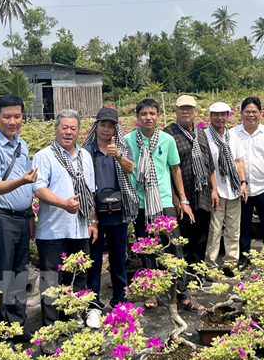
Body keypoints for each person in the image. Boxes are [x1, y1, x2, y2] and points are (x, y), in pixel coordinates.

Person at [124, 98, 204, 312]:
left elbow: (175, 170)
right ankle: (152, 292)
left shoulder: (167, 140)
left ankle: (182, 293)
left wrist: (183, 200)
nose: (148, 117)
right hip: (140, 203)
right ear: (138, 117)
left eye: (152, 113)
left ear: (158, 116)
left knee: (174, 248)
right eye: (143, 114)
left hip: (165, 202)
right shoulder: (128, 140)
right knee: (147, 249)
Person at [33, 109, 98, 354]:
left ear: (78, 131)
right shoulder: (44, 156)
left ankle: (73, 322)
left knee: (78, 279)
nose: (68, 132)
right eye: (64, 127)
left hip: (80, 229)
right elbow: (39, 190)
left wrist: (92, 221)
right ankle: (49, 332)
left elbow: (90, 193)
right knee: (52, 283)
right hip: (53, 231)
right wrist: (64, 204)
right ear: (56, 128)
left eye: (73, 128)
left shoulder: (84, 156)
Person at [0, 94, 38, 338]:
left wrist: (31, 214)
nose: (12, 121)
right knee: (1, 274)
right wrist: (22, 179)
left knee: (20, 271)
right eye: (7, 117)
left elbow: (28, 186)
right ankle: (0, 329)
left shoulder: (21, 145)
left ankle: (17, 324)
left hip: (22, 217)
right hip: (0, 218)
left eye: (17, 116)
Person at [81, 107, 137, 329]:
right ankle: (93, 305)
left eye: (111, 125)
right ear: (96, 126)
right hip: (94, 215)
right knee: (93, 261)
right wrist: (90, 218)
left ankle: (120, 301)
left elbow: (131, 169)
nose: (106, 129)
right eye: (102, 125)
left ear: (116, 128)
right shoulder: (86, 150)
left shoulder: (122, 147)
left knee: (118, 260)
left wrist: (118, 156)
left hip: (118, 213)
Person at [163, 95, 218, 268]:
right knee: (183, 236)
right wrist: (176, 197)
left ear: (195, 112)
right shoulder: (168, 134)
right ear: (176, 111)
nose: (185, 112)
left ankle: (198, 271)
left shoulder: (201, 133)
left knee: (201, 235)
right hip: (183, 194)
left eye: (189, 108)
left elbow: (209, 164)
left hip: (202, 193)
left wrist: (214, 190)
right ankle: (184, 276)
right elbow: (166, 169)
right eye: (181, 108)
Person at [233, 97, 264, 267]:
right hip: (241, 187)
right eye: (247, 111)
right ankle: (243, 257)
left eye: (254, 112)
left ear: (260, 114)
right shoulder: (233, 133)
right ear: (241, 113)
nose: (251, 115)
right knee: (243, 224)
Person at [204, 102, 248, 276]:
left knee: (233, 227)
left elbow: (238, 161)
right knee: (214, 230)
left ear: (228, 116)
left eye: (223, 114)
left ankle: (230, 262)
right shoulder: (205, 136)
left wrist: (243, 182)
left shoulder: (232, 135)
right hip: (216, 191)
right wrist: (213, 190)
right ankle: (211, 266)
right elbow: (207, 166)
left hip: (233, 188)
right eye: (216, 114)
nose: (220, 118)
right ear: (210, 116)